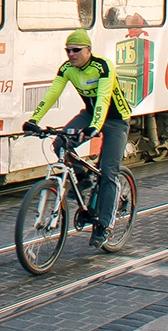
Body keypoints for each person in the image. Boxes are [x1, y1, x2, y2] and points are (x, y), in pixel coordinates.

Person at [21, 29, 132, 249]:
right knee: (61, 143)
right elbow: (52, 93)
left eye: (76, 50)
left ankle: (104, 226)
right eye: (68, 50)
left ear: (88, 50)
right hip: (90, 116)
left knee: (109, 172)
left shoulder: (103, 67)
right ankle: (83, 180)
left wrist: (94, 128)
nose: (71, 54)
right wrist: (34, 120)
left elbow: (102, 100)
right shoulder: (67, 69)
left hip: (116, 119)